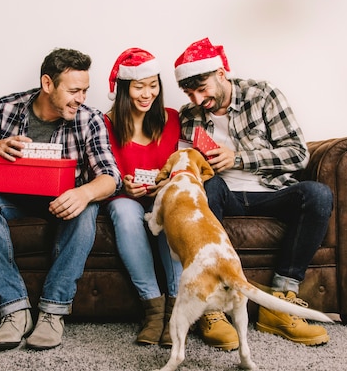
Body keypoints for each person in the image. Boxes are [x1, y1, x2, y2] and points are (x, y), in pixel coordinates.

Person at [174, 37, 333, 349]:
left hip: (270, 193)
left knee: (318, 195)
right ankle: (212, 305)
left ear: (221, 73)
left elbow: (298, 154)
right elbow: (186, 165)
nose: (197, 97)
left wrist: (239, 158)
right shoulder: (189, 114)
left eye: (201, 87)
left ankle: (280, 301)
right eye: (189, 91)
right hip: (221, 196)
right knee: (210, 185)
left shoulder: (262, 95)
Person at [0, 48, 121, 351]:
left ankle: (52, 312)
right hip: (13, 200)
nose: (81, 98)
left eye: (85, 90)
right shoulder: (6, 108)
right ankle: (14, 311)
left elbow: (110, 176)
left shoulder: (90, 120)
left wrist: (84, 192)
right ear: (48, 84)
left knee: (88, 207)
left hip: (64, 203)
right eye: (74, 90)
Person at [103, 48, 182, 347]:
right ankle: (153, 309)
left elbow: (184, 164)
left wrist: (167, 184)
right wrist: (123, 186)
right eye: (139, 86)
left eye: (153, 85)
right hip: (126, 201)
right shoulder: (106, 124)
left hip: (165, 199)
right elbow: (104, 172)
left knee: (172, 205)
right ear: (125, 89)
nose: (147, 93)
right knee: (123, 209)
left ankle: (176, 310)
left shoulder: (172, 119)